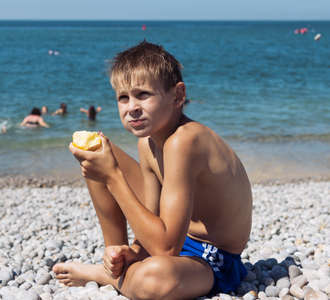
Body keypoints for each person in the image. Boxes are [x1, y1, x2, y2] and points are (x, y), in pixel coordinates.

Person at [53, 41, 252, 299]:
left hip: (215, 259)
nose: (131, 107)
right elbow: (152, 214)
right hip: (176, 240)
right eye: (123, 98)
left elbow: (166, 249)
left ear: (178, 96)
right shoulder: (148, 143)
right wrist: (134, 251)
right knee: (96, 150)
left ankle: (109, 277)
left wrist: (113, 177)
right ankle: (115, 260)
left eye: (143, 95)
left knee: (154, 278)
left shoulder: (185, 141)